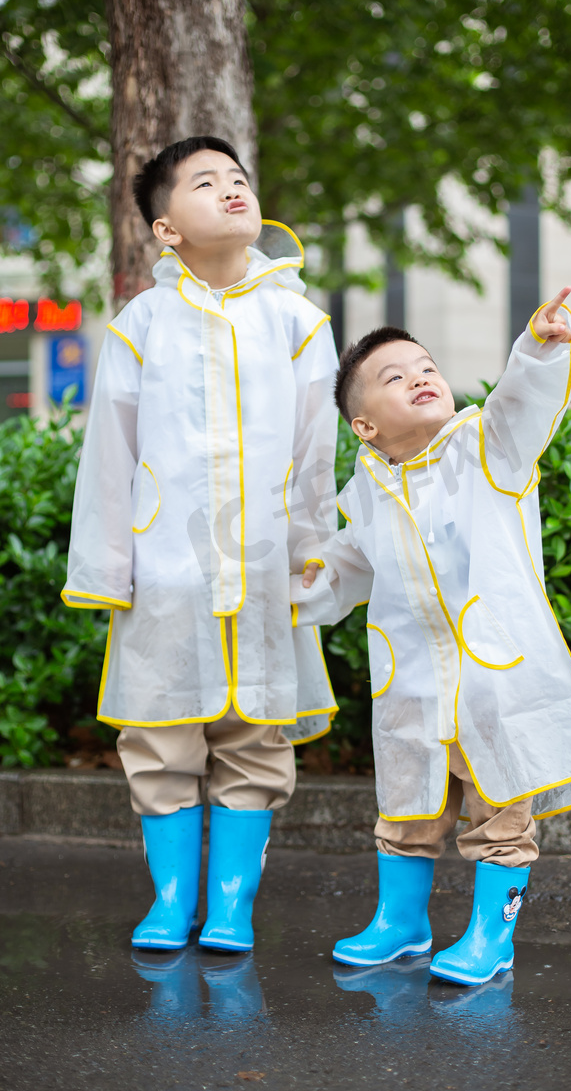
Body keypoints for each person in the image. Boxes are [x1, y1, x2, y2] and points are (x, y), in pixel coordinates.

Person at [292, 289, 571, 986]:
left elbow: (520, 407)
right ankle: (401, 923)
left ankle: (490, 939)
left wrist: (538, 349)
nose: (420, 376)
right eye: (395, 377)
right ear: (364, 427)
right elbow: (348, 566)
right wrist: (295, 587)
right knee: (406, 804)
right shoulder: (367, 493)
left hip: (492, 676)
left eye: (426, 365)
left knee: (501, 809)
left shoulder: (486, 450)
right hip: (411, 681)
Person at [62, 136, 338, 952]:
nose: (231, 189)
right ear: (165, 228)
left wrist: (312, 558)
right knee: (159, 733)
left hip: (262, 569)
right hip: (167, 575)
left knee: (255, 738)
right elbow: (109, 456)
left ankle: (230, 908)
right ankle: (170, 899)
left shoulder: (297, 318)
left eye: (239, 179)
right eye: (205, 181)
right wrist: (110, 567)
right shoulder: (141, 324)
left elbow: (314, 452)